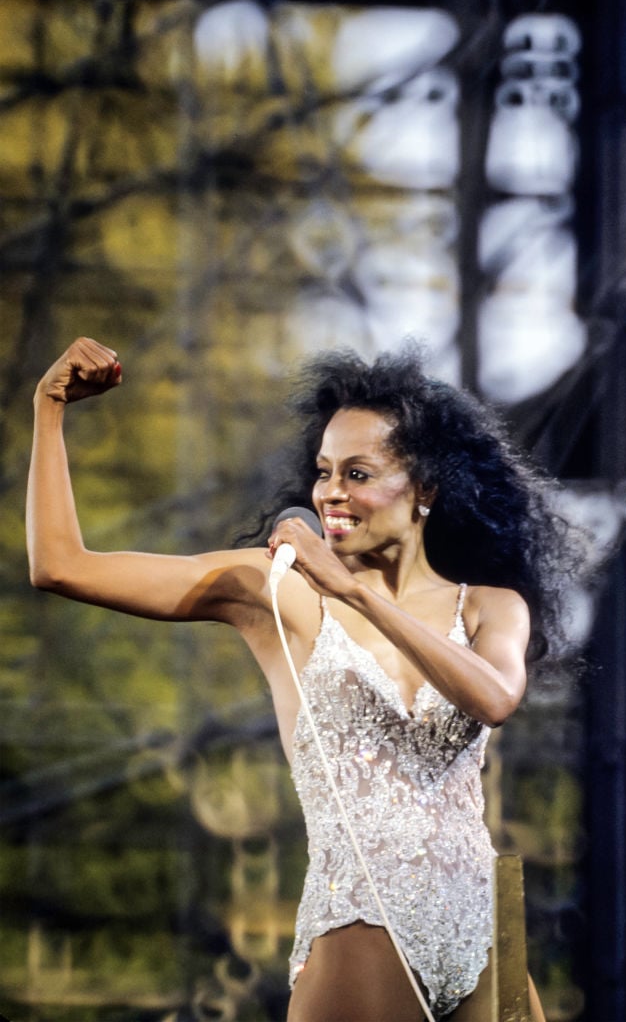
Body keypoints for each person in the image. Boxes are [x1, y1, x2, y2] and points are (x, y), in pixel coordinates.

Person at [27, 336, 574, 1022]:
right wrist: (48, 408)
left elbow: (494, 698)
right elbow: (60, 566)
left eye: (357, 473)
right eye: (323, 472)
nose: (330, 493)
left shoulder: (491, 606)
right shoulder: (277, 588)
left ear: (426, 490)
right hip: (363, 916)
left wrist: (355, 593)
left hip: (482, 928)